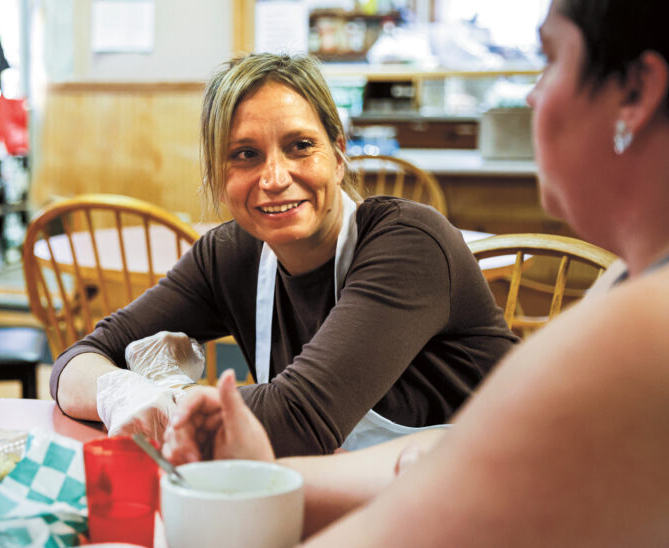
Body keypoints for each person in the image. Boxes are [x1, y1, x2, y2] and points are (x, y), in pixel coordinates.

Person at [163, 0, 669, 543]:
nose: (531, 94)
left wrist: (249, 482)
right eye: (244, 155)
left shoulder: (642, 325)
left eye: (550, 59)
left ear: (636, 93)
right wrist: (266, 476)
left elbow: (455, 494)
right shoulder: (626, 283)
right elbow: (454, 459)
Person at [50, 53, 516, 457]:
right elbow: (78, 360)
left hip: (491, 502)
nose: (274, 177)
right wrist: (120, 390)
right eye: (245, 154)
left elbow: (299, 420)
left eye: (300, 146)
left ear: (338, 155)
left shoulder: (410, 243)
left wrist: (165, 403)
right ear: (218, 176)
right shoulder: (230, 255)